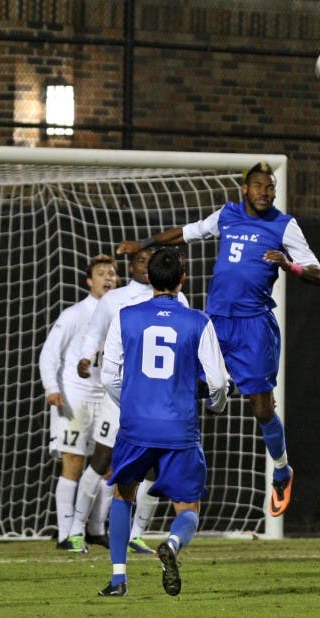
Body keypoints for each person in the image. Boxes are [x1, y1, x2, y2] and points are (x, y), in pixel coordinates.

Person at [116, 161, 320, 517]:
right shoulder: (226, 215)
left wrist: (288, 265)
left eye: (270, 187)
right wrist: (144, 244)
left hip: (254, 327)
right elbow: (185, 232)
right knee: (189, 389)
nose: (266, 192)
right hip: (216, 324)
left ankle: (281, 468)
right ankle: (165, 468)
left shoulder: (283, 225)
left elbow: (319, 275)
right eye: (259, 186)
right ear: (245, 189)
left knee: (261, 407)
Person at [97, 247, 230, 597]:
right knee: (188, 508)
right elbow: (218, 382)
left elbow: (109, 375)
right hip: (179, 427)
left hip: (136, 425)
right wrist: (217, 406)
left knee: (123, 493)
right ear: (182, 280)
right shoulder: (198, 321)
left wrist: (129, 404)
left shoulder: (126, 316)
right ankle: (171, 544)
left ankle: (118, 578)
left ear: (149, 279)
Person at [74, 246, 190, 555]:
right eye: (139, 260)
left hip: (154, 400)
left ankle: (137, 533)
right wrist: (86, 358)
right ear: (133, 266)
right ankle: (74, 530)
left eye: (147, 260)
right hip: (120, 396)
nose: (143, 265)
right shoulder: (115, 300)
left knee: (152, 470)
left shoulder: (179, 301)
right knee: (101, 461)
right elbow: (95, 334)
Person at [38, 254, 118, 552]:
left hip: (108, 398)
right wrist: (51, 388)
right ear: (89, 281)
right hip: (76, 397)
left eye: (112, 273)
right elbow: (49, 353)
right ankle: (64, 534)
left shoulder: (120, 312)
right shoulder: (75, 315)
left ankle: (96, 530)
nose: (108, 278)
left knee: (108, 465)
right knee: (73, 463)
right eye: (101, 273)